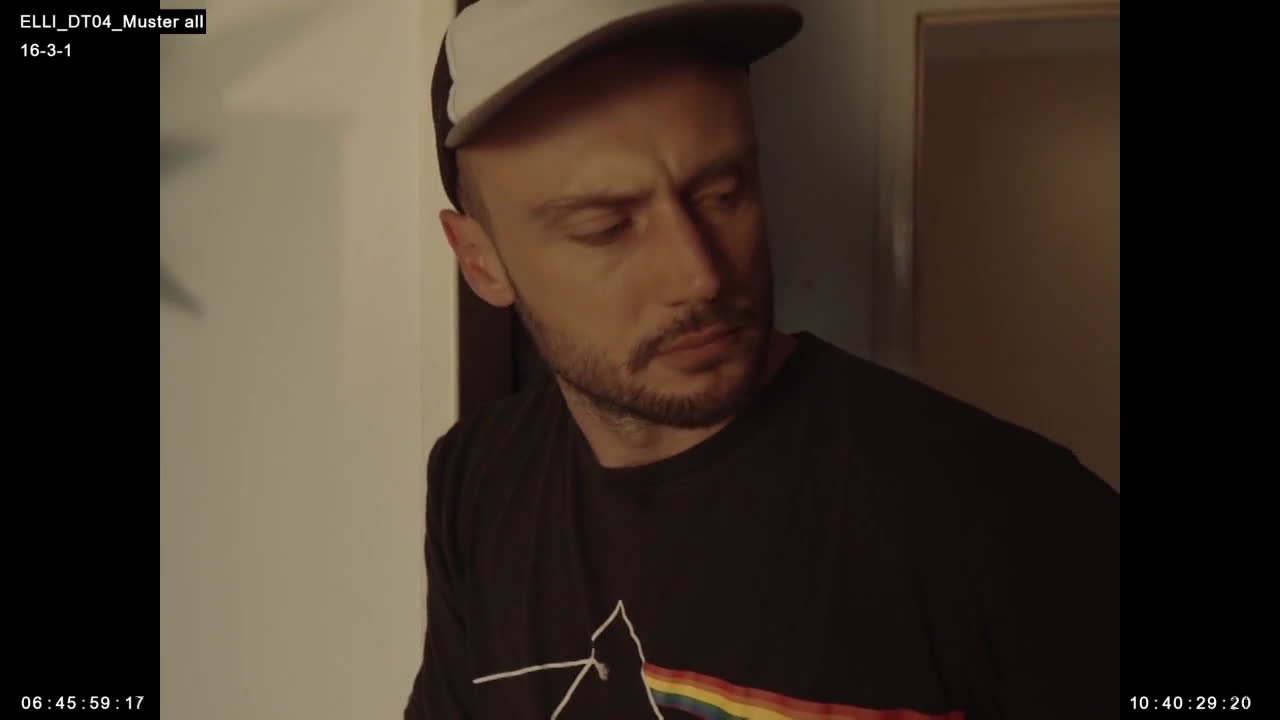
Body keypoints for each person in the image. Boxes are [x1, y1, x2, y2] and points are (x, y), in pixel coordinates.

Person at [405, 1, 1120, 718]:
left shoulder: (1012, 516)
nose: (700, 276)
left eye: (724, 194)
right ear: (481, 261)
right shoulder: (479, 482)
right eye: (606, 228)